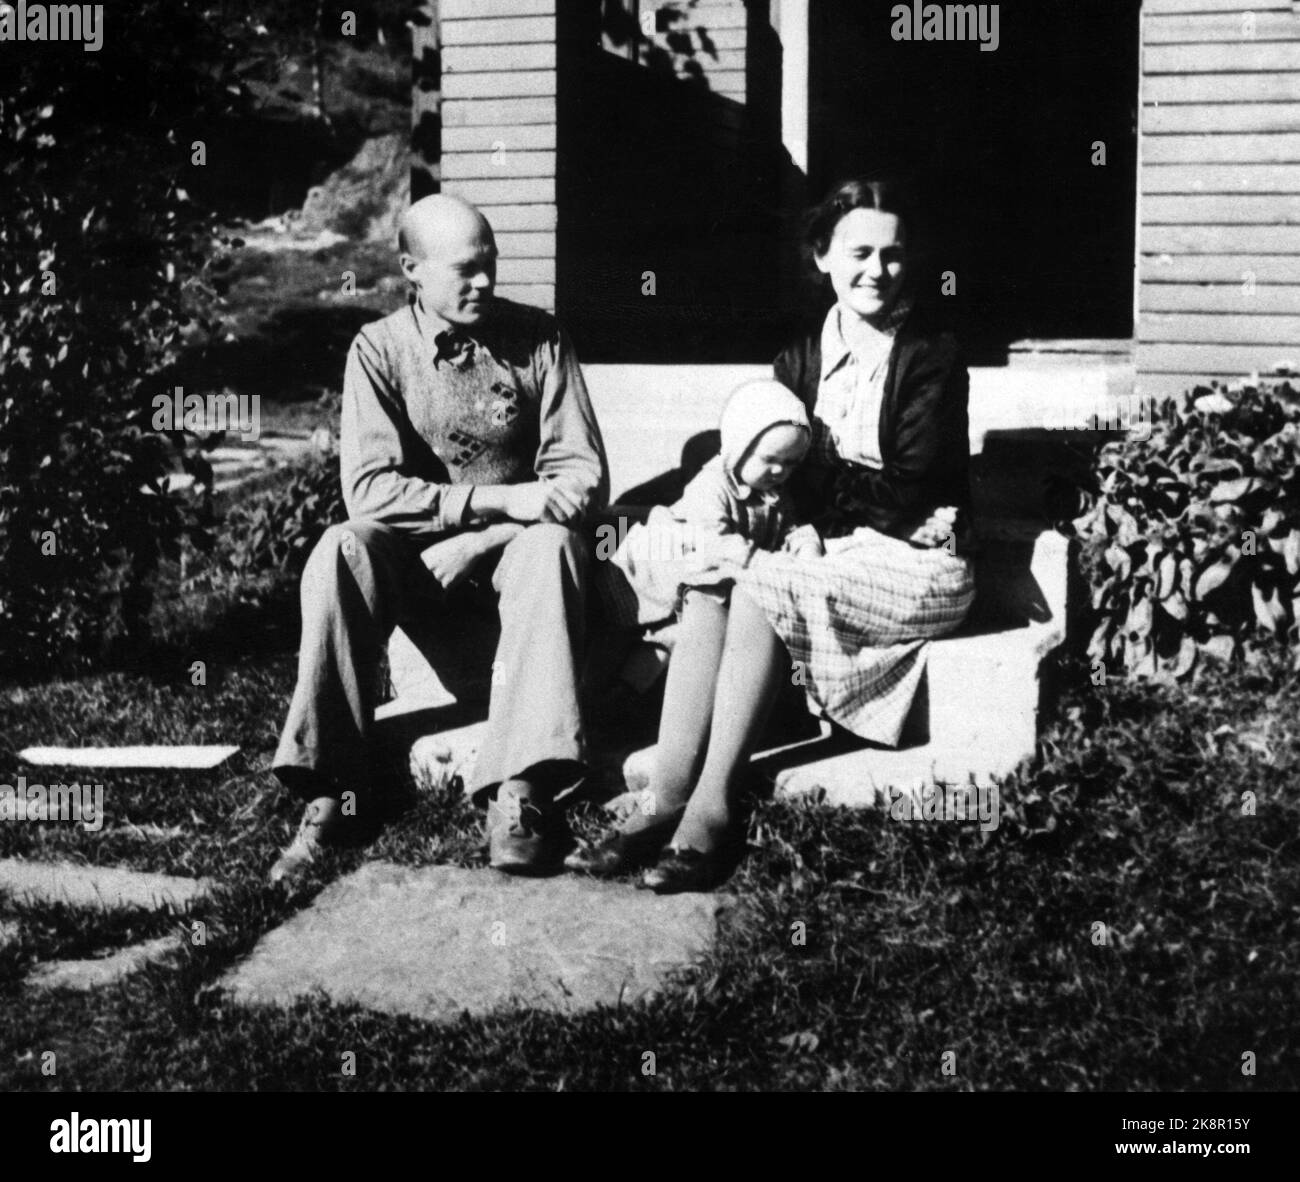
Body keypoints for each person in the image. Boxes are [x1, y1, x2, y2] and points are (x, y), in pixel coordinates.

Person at [572, 175, 976, 893]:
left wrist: (811, 511)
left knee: (757, 575)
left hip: (916, 559)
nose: (877, 271)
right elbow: (782, 471)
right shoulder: (799, 358)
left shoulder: (933, 354)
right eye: (858, 252)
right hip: (823, 549)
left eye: (893, 254)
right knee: (714, 577)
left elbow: (905, 490)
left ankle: (713, 809)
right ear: (822, 255)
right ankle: (667, 790)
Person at [268, 193, 608, 886]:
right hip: (424, 588)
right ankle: (334, 785)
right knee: (343, 546)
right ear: (411, 272)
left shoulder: (541, 340)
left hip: (520, 586)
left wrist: (488, 537)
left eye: (490, 266)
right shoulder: (380, 350)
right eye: (465, 270)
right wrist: (494, 499)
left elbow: (582, 479)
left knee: (551, 546)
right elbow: (370, 490)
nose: (485, 282)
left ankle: (519, 790)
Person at [597, 378, 822, 632]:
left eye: (791, 463)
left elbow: (792, 528)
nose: (780, 470)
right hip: (654, 575)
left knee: (676, 637)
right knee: (623, 634)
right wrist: (770, 563)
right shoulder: (712, 485)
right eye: (769, 459)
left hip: (704, 581)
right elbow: (717, 545)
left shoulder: (775, 492)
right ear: (740, 447)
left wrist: (808, 553)